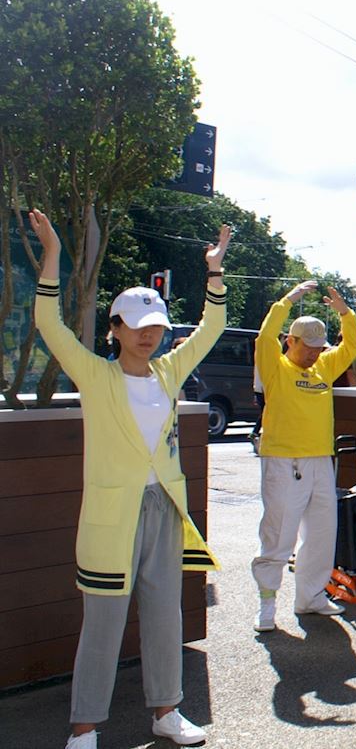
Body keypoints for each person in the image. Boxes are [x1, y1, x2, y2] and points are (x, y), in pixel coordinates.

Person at [31, 210, 229, 749]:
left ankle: (167, 711)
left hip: (164, 507)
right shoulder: (96, 374)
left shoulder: (169, 371)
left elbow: (211, 329)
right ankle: (85, 727)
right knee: (103, 623)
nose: (149, 336)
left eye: (156, 327)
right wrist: (52, 256)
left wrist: (213, 272)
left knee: (165, 617)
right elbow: (50, 325)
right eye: (138, 327)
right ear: (115, 328)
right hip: (112, 516)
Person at [250, 280, 356, 631]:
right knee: (278, 533)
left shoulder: (324, 367)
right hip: (283, 461)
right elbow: (264, 338)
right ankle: (267, 603)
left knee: (321, 533)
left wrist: (345, 313)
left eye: (318, 347)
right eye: (308, 346)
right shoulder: (274, 367)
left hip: (320, 461)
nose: (314, 353)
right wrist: (287, 301)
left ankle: (311, 597)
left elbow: (353, 346)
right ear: (291, 341)